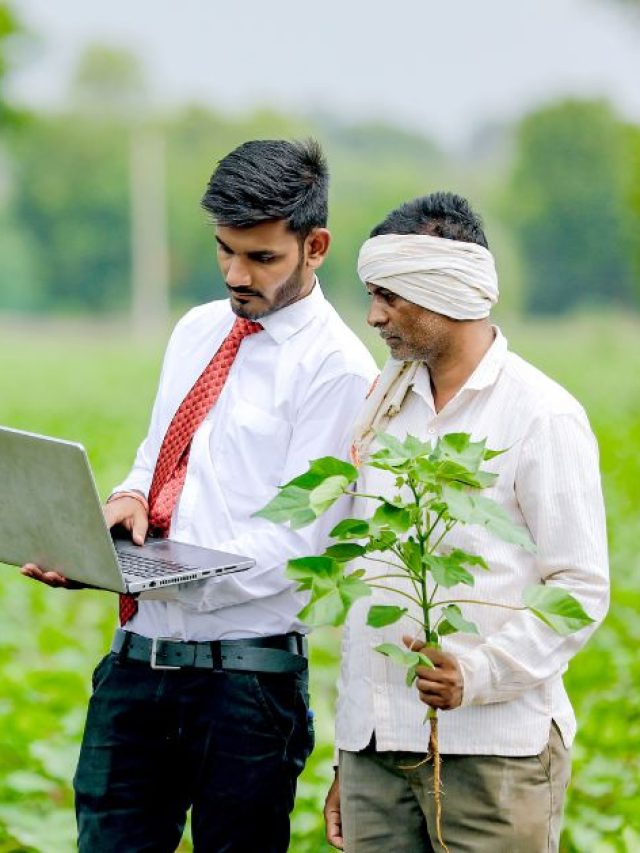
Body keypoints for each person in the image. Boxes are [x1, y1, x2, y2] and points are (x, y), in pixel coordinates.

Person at [21, 138, 378, 853]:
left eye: (261, 257)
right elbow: (158, 454)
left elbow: (300, 550)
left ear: (317, 246)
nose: (236, 273)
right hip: (135, 663)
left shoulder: (337, 368)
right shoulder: (196, 330)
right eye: (225, 250)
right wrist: (122, 511)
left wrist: (172, 572)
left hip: (245, 688)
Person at [323, 192, 609, 852]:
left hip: (494, 754)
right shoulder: (383, 404)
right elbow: (366, 583)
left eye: (389, 296)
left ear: (448, 287)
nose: (373, 317)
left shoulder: (540, 415)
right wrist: (349, 753)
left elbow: (579, 589)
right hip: (376, 751)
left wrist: (476, 673)